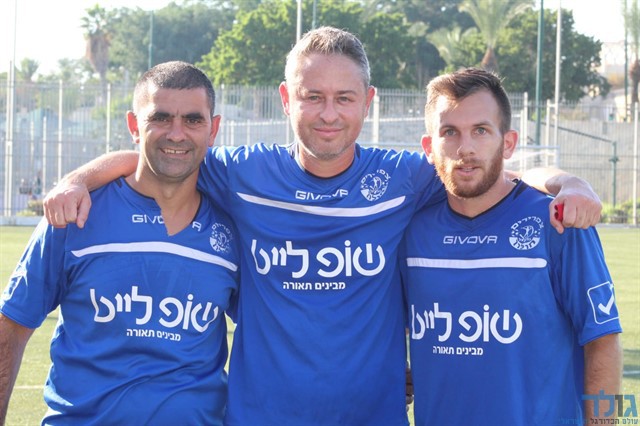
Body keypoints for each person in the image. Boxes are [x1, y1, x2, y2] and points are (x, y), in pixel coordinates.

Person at [42, 28, 602, 425]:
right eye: (313, 97)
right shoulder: (243, 173)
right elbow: (160, 154)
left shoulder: (405, 178)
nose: (329, 114)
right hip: (260, 417)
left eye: (344, 98)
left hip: (373, 416)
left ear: (368, 102)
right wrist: (76, 180)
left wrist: (569, 182)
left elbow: (485, 170)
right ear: (287, 100)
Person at [0, 61, 239, 425]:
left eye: (193, 120)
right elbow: (12, 326)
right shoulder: (76, 214)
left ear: (213, 129)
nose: (177, 134)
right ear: (133, 126)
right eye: (160, 118)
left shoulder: (234, 229)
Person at [401, 68, 622, 425]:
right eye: (449, 132)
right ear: (429, 147)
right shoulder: (411, 231)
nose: (466, 148)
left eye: (481, 130)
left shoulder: (557, 221)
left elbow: (603, 340)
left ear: (508, 143)